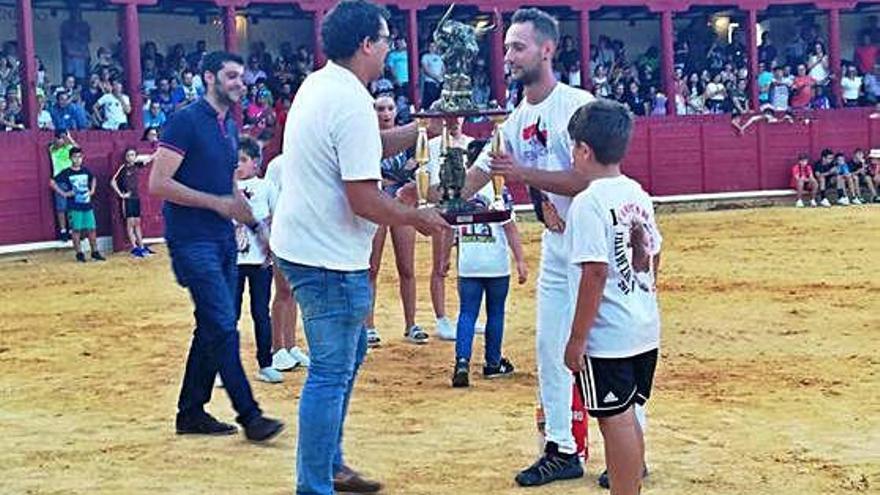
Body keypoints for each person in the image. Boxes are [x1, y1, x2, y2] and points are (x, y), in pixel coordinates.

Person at [268, 2, 448, 493]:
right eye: (386, 39)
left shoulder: (322, 85)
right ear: (367, 43)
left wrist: (418, 132)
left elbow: (362, 147)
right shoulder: (349, 100)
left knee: (342, 363)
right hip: (327, 255)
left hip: (309, 244)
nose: (391, 48)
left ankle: (329, 465)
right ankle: (316, 482)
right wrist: (417, 216)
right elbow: (363, 197)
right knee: (331, 371)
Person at [449, 7, 595, 486]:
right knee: (550, 347)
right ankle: (562, 447)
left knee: (607, 349)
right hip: (558, 245)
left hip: (595, 243)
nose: (508, 55)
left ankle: (627, 447)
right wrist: (438, 194)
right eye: (507, 46)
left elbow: (586, 178)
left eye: (518, 47)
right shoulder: (516, 118)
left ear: (547, 50)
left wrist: (524, 177)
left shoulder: (577, 105)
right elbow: (480, 174)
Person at [148, 50, 284, 442]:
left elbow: (228, 189)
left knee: (211, 326)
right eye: (230, 76)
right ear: (209, 77)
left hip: (222, 239)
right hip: (191, 240)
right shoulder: (186, 120)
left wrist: (257, 228)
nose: (239, 83)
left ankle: (191, 412)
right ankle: (250, 415)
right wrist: (217, 205)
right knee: (223, 325)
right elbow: (158, 184)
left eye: (241, 77)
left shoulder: (227, 127)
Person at [563, 99, 662, 495]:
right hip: (642, 324)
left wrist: (577, 338)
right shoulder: (637, 193)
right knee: (628, 415)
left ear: (584, 150)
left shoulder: (588, 202)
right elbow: (652, 253)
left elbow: (596, 271)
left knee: (614, 419)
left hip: (609, 334)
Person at [451, 139, 528, 388]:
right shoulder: (499, 190)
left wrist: (443, 259)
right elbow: (510, 228)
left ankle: (461, 362)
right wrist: (520, 260)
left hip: (469, 262)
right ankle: (493, 363)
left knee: (466, 313)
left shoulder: (461, 191)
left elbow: (448, 229)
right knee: (495, 312)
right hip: (495, 263)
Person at [365, 93, 427, 347]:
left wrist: (399, 176)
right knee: (371, 267)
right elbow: (407, 168)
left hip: (398, 199)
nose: (385, 113)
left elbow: (417, 167)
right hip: (380, 200)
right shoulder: (370, 138)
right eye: (380, 109)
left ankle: (411, 323)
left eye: (389, 108)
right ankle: (368, 325)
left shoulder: (402, 139)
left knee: (407, 267)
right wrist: (402, 173)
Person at [233, 136, 283, 384]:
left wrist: (271, 249)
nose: (238, 165)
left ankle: (266, 363)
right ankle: (225, 367)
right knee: (228, 315)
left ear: (255, 163)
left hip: (260, 260)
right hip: (231, 261)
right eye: (236, 160)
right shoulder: (225, 186)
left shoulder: (266, 187)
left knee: (260, 313)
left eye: (243, 160)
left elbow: (277, 217)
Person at [427, 117, 475, 341]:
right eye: (450, 118)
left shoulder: (471, 143)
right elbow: (428, 185)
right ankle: (441, 318)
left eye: (458, 117)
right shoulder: (432, 146)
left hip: (467, 211)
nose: (455, 122)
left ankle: (467, 315)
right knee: (440, 265)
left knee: (465, 267)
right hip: (443, 210)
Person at [263, 155, 311, 371]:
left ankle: (290, 345)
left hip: (303, 232)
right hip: (283, 233)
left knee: (294, 292)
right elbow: (270, 204)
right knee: (283, 291)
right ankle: (277, 347)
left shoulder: (310, 160)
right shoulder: (278, 165)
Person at [49, 147, 105, 262]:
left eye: (79, 157)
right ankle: (79, 254)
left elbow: (93, 178)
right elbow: (52, 182)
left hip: (87, 205)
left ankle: (94, 252)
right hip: (74, 206)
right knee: (76, 230)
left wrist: (92, 190)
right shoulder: (67, 172)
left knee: (92, 229)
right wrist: (63, 193)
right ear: (70, 158)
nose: (77, 159)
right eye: (75, 157)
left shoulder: (85, 170)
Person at [110, 148, 154, 257]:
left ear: (135, 156)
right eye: (129, 155)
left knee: (137, 223)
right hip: (128, 199)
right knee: (130, 223)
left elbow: (149, 158)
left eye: (133, 155)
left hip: (136, 198)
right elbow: (112, 181)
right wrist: (121, 194)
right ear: (125, 157)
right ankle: (134, 247)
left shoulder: (137, 166)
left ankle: (142, 246)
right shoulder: (123, 168)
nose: (131, 157)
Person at [48, 129, 79, 241]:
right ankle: (63, 231)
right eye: (60, 138)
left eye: (63, 138)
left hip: (72, 179)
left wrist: (69, 137)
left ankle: (71, 229)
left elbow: (77, 149)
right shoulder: (53, 148)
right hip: (60, 180)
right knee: (61, 207)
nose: (62, 140)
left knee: (71, 206)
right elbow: (55, 146)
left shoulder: (69, 148)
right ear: (55, 139)